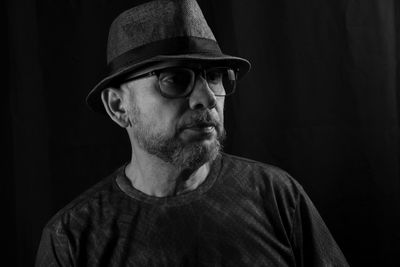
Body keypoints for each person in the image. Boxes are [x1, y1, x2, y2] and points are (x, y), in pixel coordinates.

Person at [36, 0, 349, 266]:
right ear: (119, 106)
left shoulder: (278, 197)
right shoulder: (73, 237)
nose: (208, 98)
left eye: (215, 76)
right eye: (174, 78)